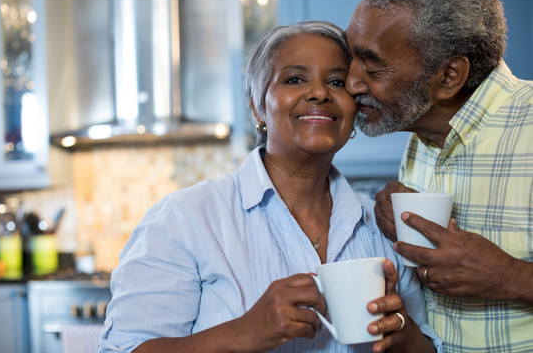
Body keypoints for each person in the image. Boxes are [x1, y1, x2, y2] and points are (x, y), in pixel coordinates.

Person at [98, 21, 441, 353]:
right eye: (294, 79)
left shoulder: (383, 227)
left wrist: (403, 334)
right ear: (257, 105)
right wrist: (244, 333)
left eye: (337, 82)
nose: (320, 93)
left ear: (355, 112)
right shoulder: (183, 219)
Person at [344, 0, 533, 352]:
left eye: (372, 66)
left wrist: (510, 278)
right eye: (351, 57)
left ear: (448, 76)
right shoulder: (424, 133)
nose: (352, 83)